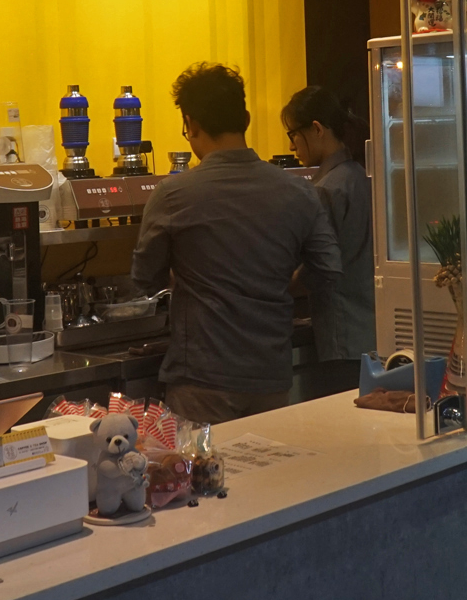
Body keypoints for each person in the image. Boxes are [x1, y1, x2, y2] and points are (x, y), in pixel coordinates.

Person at [133, 63, 342, 424]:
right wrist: (284, 285)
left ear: (191, 124)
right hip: (271, 373)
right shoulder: (299, 192)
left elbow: (144, 279)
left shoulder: (172, 195)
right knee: (269, 462)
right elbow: (329, 268)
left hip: (202, 379)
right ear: (245, 119)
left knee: (201, 463)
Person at [282, 86, 376, 362]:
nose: (291, 146)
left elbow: (320, 267)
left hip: (343, 331)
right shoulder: (359, 174)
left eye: (293, 135)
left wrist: (276, 288)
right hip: (370, 326)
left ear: (316, 129)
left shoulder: (326, 189)